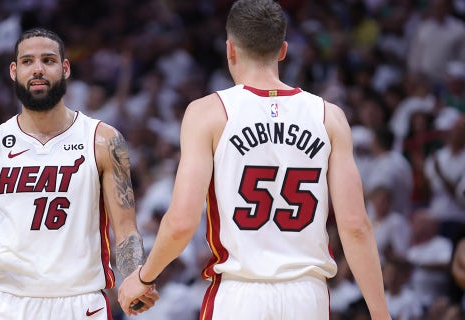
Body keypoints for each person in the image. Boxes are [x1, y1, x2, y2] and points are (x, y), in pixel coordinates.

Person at [118, 1, 391, 319]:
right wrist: (381, 314)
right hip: (308, 297)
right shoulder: (329, 117)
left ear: (230, 49)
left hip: (239, 294)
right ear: (283, 50)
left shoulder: (208, 113)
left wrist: (143, 277)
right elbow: (356, 227)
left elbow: (180, 223)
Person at [0, 27, 157, 319]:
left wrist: (135, 275)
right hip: (8, 303)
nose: (37, 69)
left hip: (80, 301)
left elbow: (125, 230)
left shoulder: (103, 140)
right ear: (13, 70)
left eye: (48, 60)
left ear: (65, 68)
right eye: (27, 61)